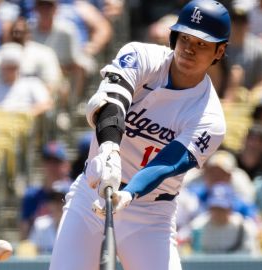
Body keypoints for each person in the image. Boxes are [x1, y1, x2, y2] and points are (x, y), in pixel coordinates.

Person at [49, 1, 230, 269]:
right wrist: (110, 149)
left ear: (220, 50)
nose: (190, 47)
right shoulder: (141, 56)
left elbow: (168, 162)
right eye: (185, 37)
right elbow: (113, 103)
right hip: (92, 195)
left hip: (150, 215)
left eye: (202, 43)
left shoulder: (210, 117)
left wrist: (130, 193)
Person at [0, 42, 53, 116]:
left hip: (23, 124)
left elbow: (46, 103)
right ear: (1, 67)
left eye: (13, 67)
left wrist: (27, 115)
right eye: (7, 67)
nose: (10, 71)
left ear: (19, 67)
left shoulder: (32, 83)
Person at [20, 141, 72, 240]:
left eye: (56, 162)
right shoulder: (32, 196)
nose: (52, 167)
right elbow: (24, 232)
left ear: (66, 165)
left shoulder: (75, 192)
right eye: (48, 161)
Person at [190, 184, 259, 254]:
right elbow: (197, 257)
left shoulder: (244, 228)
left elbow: (250, 258)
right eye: (214, 208)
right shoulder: (198, 227)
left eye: (222, 209)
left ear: (230, 209)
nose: (217, 212)